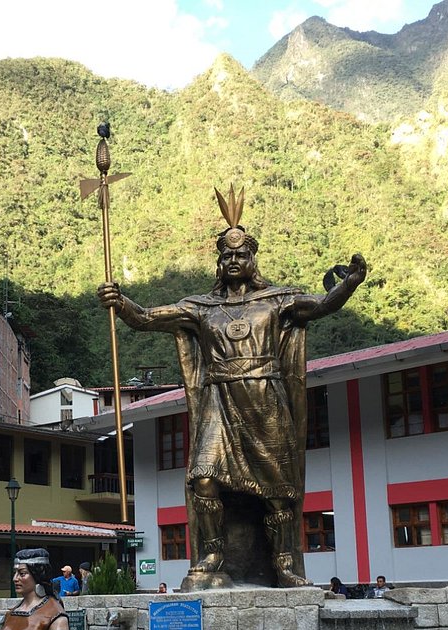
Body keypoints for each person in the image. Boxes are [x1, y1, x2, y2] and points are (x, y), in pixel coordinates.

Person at [99, 187, 366, 590]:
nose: (234, 260)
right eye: (227, 255)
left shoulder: (278, 300)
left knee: (278, 489)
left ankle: (284, 565)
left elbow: (321, 305)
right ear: (220, 263)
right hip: (219, 402)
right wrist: (120, 302)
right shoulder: (201, 307)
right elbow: (148, 318)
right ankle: (212, 556)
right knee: (203, 478)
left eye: (241, 254)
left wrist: (348, 285)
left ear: (253, 259)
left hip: (265, 399)